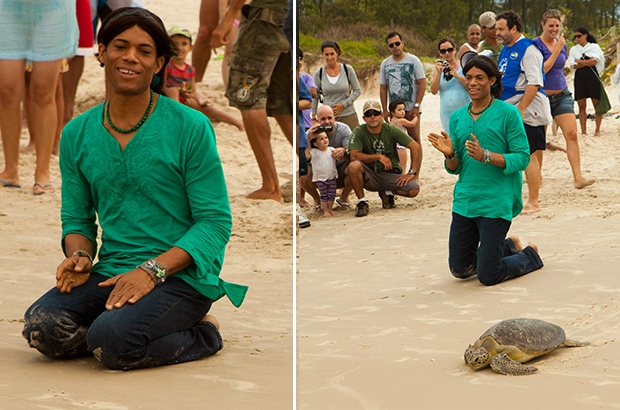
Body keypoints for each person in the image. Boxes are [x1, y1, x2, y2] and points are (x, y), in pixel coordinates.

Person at [22, 7, 248, 370]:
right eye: (120, 46)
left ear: (159, 64)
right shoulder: (76, 134)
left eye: (144, 51)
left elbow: (214, 223)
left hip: (181, 274)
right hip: (111, 269)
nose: (130, 57)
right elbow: (77, 219)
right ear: (101, 52)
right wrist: (79, 254)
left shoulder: (190, 127)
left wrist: (152, 271)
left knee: (113, 341)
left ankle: (204, 332)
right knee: (42, 327)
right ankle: (116, 330)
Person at [427, 55, 543, 286]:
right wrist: (450, 154)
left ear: (492, 81)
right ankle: (507, 245)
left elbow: (521, 158)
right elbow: (455, 168)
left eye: (479, 77)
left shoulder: (508, 114)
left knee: (488, 275)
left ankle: (530, 254)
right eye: (468, 77)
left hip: (496, 200)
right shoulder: (458, 117)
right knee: (460, 270)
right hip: (466, 199)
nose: (472, 82)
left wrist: (486, 156)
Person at [212, 0, 293, 203]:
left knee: (248, 98)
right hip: (290, 17)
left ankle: (270, 186)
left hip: (264, 19)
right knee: (281, 104)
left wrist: (227, 19)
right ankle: (312, 172)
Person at [0, 0, 78, 193]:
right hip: (8, 7)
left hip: (53, 8)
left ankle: (42, 173)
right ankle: (10, 170)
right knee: (6, 90)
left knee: (43, 90)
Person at [496, 10, 552, 215]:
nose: (498, 33)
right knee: (517, 153)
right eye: (496, 29)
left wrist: (521, 109)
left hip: (529, 108)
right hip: (509, 105)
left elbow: (535, 82)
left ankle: (534, 201)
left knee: (529, 154)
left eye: (501, 29)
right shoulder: (505, 50)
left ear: (514, 28)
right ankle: (517, 196)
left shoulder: (528, 49)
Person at [533, 10, 595, 189]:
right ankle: (537, 177)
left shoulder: (563, 44)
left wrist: (561, 48)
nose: (554, 29)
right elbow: (541, 70)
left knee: (572, 134)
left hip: (562, 95)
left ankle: (578, 177)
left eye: (557, 25)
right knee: (539, 140)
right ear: (543, 25)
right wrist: (557, 50)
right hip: (540, 97)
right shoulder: (534, 45)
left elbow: (561, 67)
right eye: (550, 25)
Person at [346, 100, 421, 217]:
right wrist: (378, 156)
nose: (372, 117)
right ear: (364, 118)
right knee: (354, 166)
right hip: (369, 174)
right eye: (368, 114)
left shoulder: (391, 129)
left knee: (414, 189)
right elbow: (354, 156)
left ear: (381, 115)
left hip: (389, 173)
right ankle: (362, 201)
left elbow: (415, 147)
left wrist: (412, 172)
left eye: (375, 113)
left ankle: (387, 191)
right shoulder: (359, 131)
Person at [163, 26, 244, 131]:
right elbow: (162, 86)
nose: (180, 48)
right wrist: (179, 92)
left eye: (184, 44)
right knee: (173, 91)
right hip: (171, 99)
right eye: (175, 44)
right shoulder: (168, 66)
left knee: (207, 109)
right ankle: (176, 122)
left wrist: (200, 99)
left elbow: (193, 90)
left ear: (190, 48)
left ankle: (236, 122)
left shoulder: (190, 70)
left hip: (186, 100)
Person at [379, 31, 426, 175]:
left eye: (397, 43)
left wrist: (417, 105)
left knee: (415, 141)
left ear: (403, 43)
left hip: (411, 108)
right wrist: (385, 109)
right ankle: (398, 171)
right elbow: (383, 87)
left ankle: (415, 173)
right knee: (395, 143)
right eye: (391, 45)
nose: (395, 47)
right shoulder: (385, 64)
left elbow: (422, 83)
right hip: (394, 111)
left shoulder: (413, 60)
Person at [300, 105, 352, 209]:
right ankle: (317, 199)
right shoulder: (311, 133)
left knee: (356, 167)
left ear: (334, 118)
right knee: (302, 172)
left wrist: (343, 150)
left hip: (340, 169)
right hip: (320, 173)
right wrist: (310, 138)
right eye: (323, 119)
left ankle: (344, 196)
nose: (327, 122)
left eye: (329, 118)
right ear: (317, 120)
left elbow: (352, 151)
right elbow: (303, 156)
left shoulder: (343, 129)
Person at [311, 40, 362, 131]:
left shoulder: (347, 69)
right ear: (322, 55)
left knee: (354, 143)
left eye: (332, 54)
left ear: (337, 53)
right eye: (326, 54)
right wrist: (314, 116)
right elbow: (315, 96)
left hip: (348, 114)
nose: (330, 57)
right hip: (328, 118)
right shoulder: (319, 73)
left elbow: (357, 90)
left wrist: (343, 104)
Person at [568, 26, 606, 136]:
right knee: (581, 105)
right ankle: (583, 131)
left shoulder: (594, 47)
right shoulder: (574, 49)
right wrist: (586, 62)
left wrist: (579, 61)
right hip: (579, 78)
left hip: (592, 77)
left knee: (596, 104)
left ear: (585, 35)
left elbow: (594, 62)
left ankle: (597, 130)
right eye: (575, 37)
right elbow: (573, 65)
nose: (577, 39)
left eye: (579, 36)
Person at [430, 37, 471, 133]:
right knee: (452, 141)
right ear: (440, 53)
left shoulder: (463, 66)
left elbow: (470, 86)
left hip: (464, 110)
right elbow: (433, 91)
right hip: (446, 113)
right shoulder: (438, 70)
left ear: (455, 49)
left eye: (450, 50)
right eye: (443, 51)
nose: (447, 53)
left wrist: (457, 76)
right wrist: (439, 73)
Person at [306, 129, 338, 217]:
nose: (325, 140)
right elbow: (307, 155)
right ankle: (326, 210)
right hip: (320, 178)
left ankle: (330, 208)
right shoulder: (314, 152)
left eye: (326, 138)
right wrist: (308, 140)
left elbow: (338, 158)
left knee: (332, 194)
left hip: (331, 177)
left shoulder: (331, 150)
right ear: (315, 144)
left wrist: (339, 154)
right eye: (321, 139)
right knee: (324, 195)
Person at [388, 99, 418, 173]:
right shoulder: (401, 121)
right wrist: (416, 117)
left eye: (403, 109)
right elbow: (412, 124)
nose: (402, 112)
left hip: (393, 147)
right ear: (392, 112)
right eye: (399, 110)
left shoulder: (392, 121)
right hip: (400, 147)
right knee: (402, 167)